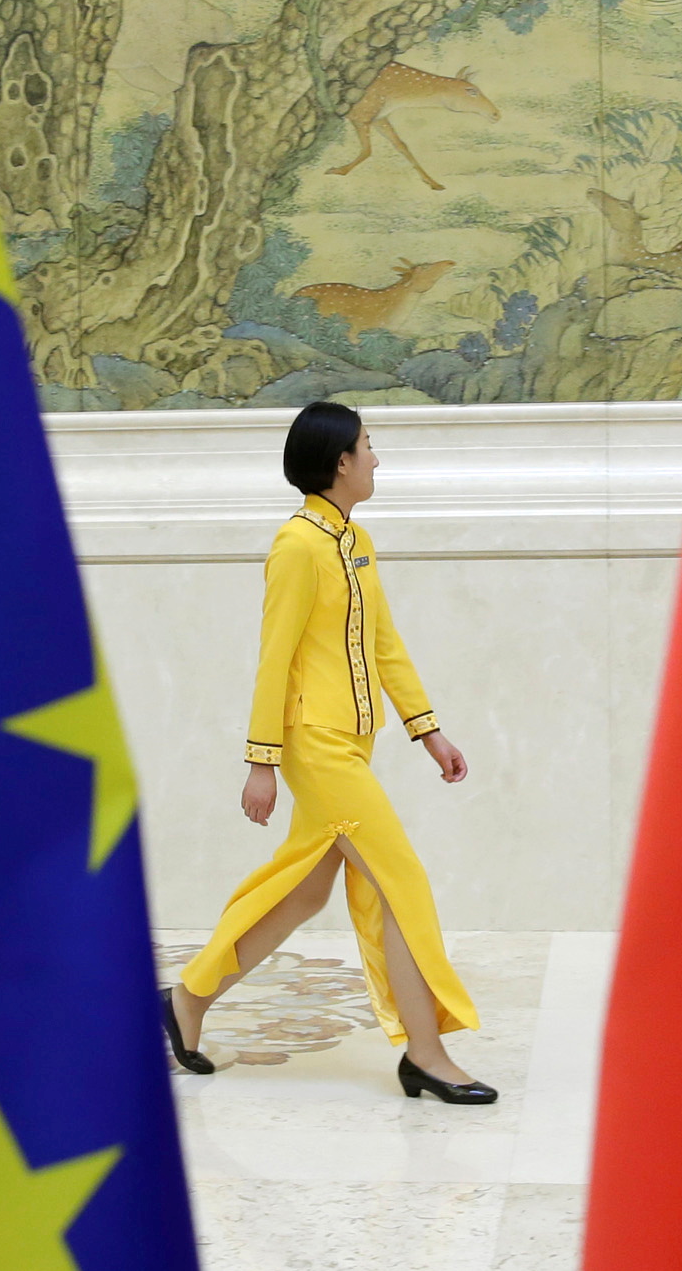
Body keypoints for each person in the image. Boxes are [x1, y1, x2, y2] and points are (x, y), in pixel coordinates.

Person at [163, 402, 493, 1102]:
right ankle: (426, 1053)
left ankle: (188, 999)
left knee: (303, 891)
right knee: (401, 880)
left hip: (354, 742)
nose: (376, 457)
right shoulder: (296, 546)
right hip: (315, 746)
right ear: (341, 461)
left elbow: (384, 644)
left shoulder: (356, 539)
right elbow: (274, 658)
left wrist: (428, 731)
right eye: (368, 446)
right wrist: (262, 762)